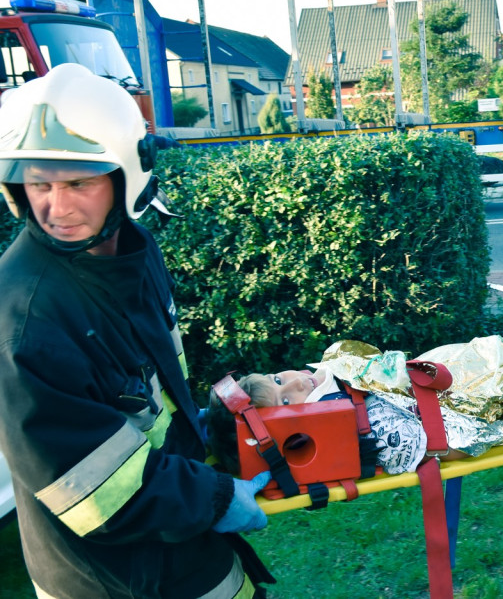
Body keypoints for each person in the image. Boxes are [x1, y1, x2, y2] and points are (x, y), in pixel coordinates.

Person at [0, 63, 275, 598]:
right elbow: (90, 490)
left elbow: (144, 388)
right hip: (115, 577)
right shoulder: (23, 322)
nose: (58, 208)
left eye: (79, 183)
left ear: (129, 174)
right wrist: (215, 499)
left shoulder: (133, 251)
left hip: (181, 541)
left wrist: (190, 431)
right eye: (39, 184)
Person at [206, 367, 471, 477]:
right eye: (285, 402)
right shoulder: (374, 433)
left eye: (277, 379)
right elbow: (445, 448)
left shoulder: (338, 374)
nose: (297, 381)